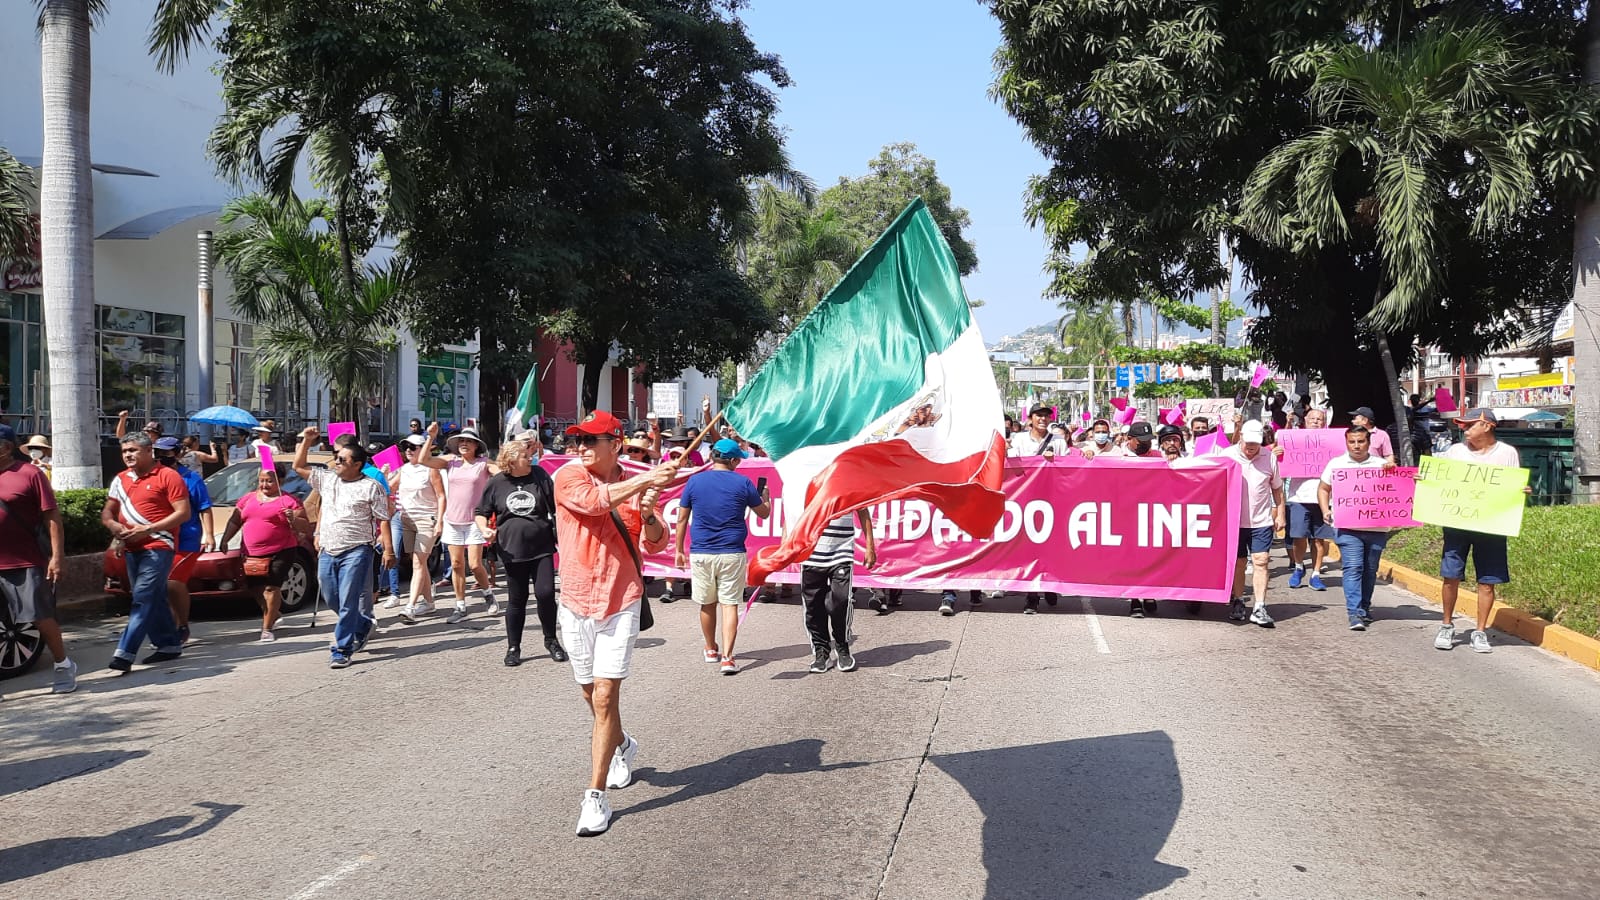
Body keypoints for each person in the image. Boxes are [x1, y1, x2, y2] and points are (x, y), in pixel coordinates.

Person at [552, 410, 675, 836]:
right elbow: (593, 502)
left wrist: (652, 514)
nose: (581, 448)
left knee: (604, 697)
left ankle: (595, 796)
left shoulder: (632, 483)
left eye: (592, 440)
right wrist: (645, 481)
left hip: (621, 601)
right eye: (577, 440)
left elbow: (657, 544)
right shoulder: (569, 478)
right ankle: (622, 744)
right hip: (575, 602)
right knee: (591, 695)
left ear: (616, 443)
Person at [293, 426, 394, 669]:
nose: (336, 462)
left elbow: (384, 518)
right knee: (331, 596)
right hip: (329, 548)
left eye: (342, 459)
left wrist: (388, 548)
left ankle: (342, 648)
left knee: (348, 598)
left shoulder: (371, 486)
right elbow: (298, 467)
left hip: (358, 549)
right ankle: (362, 624)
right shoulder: (327, 479)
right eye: (336, 458)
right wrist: (306, 442)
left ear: (357, 464)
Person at [674, 438, 771, 674]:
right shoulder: (743, 482)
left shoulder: (695, 481)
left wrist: (678, 549)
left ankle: (710, 648)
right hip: (731, 551)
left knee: (707, 603)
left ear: (712, 457)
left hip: (701, 552)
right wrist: (765, 496)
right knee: (729, 605)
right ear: (734, 460)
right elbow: (764, 514)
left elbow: (682, 518)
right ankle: (728, 658)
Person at [1432, 409, 1526, 653]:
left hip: (1491, 526)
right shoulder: (1455, 452)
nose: (1465, 430)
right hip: (1457, 523)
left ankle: (1480, 631)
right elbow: (1440, 482)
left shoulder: (1507, 454)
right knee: (1451, 575)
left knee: (1487, 581)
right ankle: (1446, 625)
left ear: (1486, 425)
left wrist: (1520, 491)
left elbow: (1513, 487)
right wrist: (1426, 480)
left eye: (1469, 425)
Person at [102, 432, 192, 672]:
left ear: (148, 451)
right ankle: (169, 645)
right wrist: (114, 527)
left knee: (142, 597)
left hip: (158, 547)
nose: (128, 455)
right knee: (154, 597)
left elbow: (183, 513)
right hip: (131, 548)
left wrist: (150, 528)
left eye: (133, 450)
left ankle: (125, 653)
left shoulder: (167, 476)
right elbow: (108, 512)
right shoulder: (120, 479)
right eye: (124, 451)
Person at [0, 424, 76, 695]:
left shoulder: (30, 474)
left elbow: (51, 517)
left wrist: (57, 556)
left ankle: (63, 665)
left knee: (39, 617)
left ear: (6, 447)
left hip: (25, 561)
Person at [477, 438, 562, 666]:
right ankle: (513, 647)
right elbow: (481, 511)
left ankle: (551, 640)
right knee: (517, 599)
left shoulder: (540, 475)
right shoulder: (497, 483)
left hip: (542, 547)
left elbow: (556, 507)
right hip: (512, 550)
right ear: (512, 461)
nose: (530, 458)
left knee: (545, 594)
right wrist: (484, 528)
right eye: (525, 456)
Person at [416, 423, 496, 622]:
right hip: (453, 520)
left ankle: (488, 594)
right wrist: (430, 437)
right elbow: (423, 460)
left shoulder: (483, 463)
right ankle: (460, 606)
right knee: (457, 564)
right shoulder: (451, 462)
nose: (464, 444)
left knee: (476, 564)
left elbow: (504, 472)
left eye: (469, 441)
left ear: (477, 445)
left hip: (476, 521)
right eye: (461, 440)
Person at [1318, 426, 1395, 631]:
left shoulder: (1382, 465)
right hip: (1347, 528)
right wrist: (1326, 510)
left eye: (1361, 441)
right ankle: (1355, 612)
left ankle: (1365, 607)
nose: (1356, 446)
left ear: (1369, 443)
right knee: (1353, 568)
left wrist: (1397, 474)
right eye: (1352, 442)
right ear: (1346, 442)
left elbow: (1399, 488)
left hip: (1376, 528)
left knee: (1370, 570)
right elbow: (1324, 489)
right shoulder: (1337, 464)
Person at [220, 467, 305, 642]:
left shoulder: (289, 501)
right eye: (262, 480)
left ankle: (266, 629)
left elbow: (304, 527)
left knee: (270, 587)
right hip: (251, 553)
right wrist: (226, 539)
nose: (264, 484)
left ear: (280, 482)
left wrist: (293, 519)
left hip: (281, 550)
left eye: (269, 481)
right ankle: (274, 613)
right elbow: (235, 520)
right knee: (256, 587)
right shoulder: (248, 498)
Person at [1222, 420, 1286, 627]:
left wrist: (1281, 514)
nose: (1251, 448)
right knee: (1239, 563)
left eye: (1256, 444)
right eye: (1248, 442)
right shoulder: (1227, 456)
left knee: (1261, 560)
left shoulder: (1269, 458)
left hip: (1261, 521)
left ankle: (1259, 606)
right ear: (1240, 437)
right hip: (1234, 521)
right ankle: (1239, 600)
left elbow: (1277, 488)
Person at [153, 437, 216, 644]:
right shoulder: (151, 478)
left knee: (173, 582)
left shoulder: (191, 479)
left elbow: (204, 507)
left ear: (178, 454)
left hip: (187, 538)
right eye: (157, 452)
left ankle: (182, 626)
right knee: (160, 585)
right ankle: (168, 627)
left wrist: (208, 534)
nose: (161, 457)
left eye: (167, 453)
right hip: (160, 538)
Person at [803, 508, 876, 673]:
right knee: (813, 606)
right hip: (811, 553)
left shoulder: (849, 482)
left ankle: (842, 646)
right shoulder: (804, 482)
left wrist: (870, 546)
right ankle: (822, 653)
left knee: (840, 602)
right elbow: (792, 512)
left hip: (841, 552)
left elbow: (863, 512)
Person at [1008, 406, 1064, 614]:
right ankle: (1032, 596)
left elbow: (1067, 469)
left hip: (1052, 501)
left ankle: (1049, 586)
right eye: (1038, 415)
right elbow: (1014, 468)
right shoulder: (1019, 440)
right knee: (1030, 547)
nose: (1042, 418)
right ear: (1030, 419)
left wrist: (1054, 462)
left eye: (1046, 415)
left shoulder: (1058, 441)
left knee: (1050, 547)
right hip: (1027, 500)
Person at [389, 435, 446, 622]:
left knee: (418, 562)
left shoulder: (430, 470)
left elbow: (441, 496)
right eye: (406, 446)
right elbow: (389, 489)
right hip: (407, 520)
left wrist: (439, 521)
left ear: (425, 449)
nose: (409, 450)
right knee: (418, 563)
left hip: (426, 519)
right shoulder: (403, 470)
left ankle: (410, 607)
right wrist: (384, 474)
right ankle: (429, 602)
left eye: (413, 447)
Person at [1285, 407, 1333, 591]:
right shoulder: (1295, 438)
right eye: (1312, 418)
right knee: (1298, 537)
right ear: (1304, 420)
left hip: (1323, 499)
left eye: (1319, 419)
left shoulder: (1332, 441)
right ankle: (1298, 567)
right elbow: (1283, 441)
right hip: (1298, 496)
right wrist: (1288, 424)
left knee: (1319, 539)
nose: (1315, 421)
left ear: (1325, 422)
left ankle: (1316, 573)